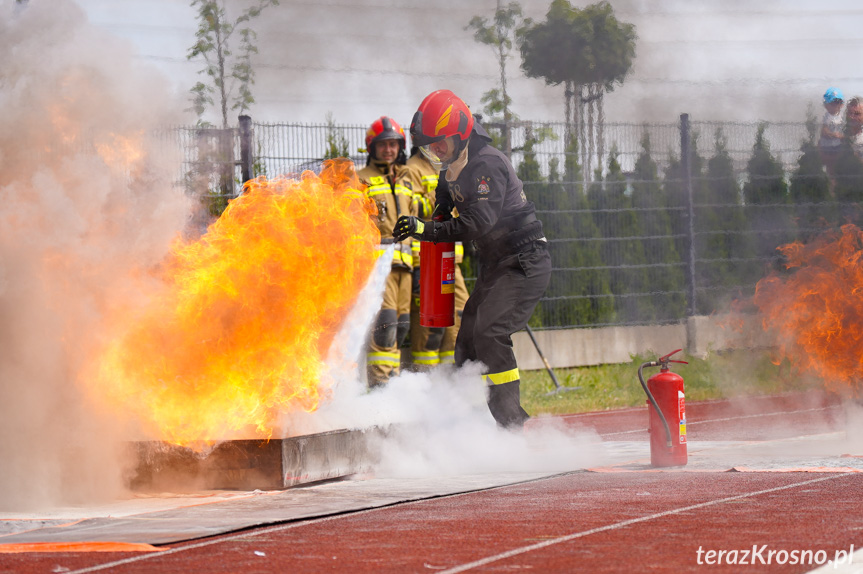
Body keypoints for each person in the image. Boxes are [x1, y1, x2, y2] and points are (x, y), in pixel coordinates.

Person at [393, 89, 551, 430]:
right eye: (430, 146)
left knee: (490, 333)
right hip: (498, 265)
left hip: (525, 261)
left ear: (460, 135)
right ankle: (467, 426)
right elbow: (443, 205)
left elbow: (478, 223)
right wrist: (429, 220)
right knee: (466, 344)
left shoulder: (486, 166)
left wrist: (425, 229)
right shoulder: (454, 167)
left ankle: (512, 425)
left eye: (440, 144)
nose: (435, 151)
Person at [357, 116, 415, 388]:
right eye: (383, 145)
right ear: (372, 147)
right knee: (385, 327)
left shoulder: (405, 180)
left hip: (405, 266)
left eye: (393, 144)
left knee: (401, 328)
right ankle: (380, 387)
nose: (389, 150)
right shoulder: (360, 180)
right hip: (379, 267)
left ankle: (392, 386)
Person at [403, 149, 469, 370]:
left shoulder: (450, 165)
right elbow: (409, 209)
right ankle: (426, 381)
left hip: (450, 257)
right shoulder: (411, 169)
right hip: (426, 259)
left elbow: (460, 211)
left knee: (459, 317)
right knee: (431, 328)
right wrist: (442, 200)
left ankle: (451, 382)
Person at [819, 87, 845, 184]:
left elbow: (845, 131)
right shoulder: (827, 116)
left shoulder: (842, 117)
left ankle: (836, 180)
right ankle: (830, 181)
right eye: (832, 103)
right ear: (826, 105)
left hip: (838, 145)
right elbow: (824, 130)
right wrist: (832, 134)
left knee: (837, 164)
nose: (835, 105)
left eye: (838, 103)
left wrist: (842, 137)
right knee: (830, 165)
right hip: (827, 146)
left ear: (841, 104)